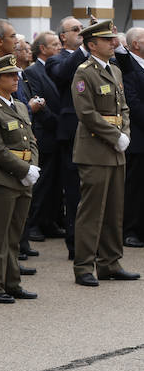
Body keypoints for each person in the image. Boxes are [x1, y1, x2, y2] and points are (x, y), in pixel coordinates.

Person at [71, 20, 137, 286]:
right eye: (107, 40)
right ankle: (84, 266)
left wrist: (125, 135)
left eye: (113, 39)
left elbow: (124, 110)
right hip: (95, 150)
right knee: (92, 211)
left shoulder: (115, 71)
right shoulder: (84, 73)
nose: (113, 43)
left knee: (114, 210)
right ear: (92, 44)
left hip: (115, 150)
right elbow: (86, 113)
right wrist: (115, 136)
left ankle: (110, 262)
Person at [0, 55, 39, 303]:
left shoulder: (20, 106)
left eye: (17, 75)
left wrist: (32, 166)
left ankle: (12, 283)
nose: (16, 79)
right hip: (0, 179)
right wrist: (24, 170)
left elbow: (31, 140)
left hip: (22, 176)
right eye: (11, 75)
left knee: (15, 235)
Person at [46, 16, 86, 257]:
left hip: (98, 130)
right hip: (72, 132)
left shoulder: (93, 58)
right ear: (63, 37)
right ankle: (75, 242)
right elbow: (62, 74)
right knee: (74, 189)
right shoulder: (56, 59)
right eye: (76, 30)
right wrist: (85, 47)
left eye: (83, 29)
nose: (81, 32)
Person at [23, 31, 62, 243]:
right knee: (43, 181)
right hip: (45, 131)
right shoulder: (33, 71)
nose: (58, 47)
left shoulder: (56, 69)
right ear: (42, 49)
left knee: (55, 181)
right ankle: (35, 223)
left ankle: (49, 220)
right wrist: (55, 122)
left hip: (57, 133)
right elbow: (36, 101)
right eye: (54, 44)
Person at [123, 28, 144, 248]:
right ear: (136, 44)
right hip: (138, 136)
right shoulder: (128, 65)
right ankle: (130, 230)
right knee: (134, 188)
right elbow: (133, 101)